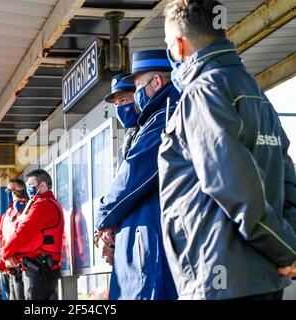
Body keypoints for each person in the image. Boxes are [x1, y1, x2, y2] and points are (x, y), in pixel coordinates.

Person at [158, 0, 296, 300]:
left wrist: (287, 252)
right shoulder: (254, 92)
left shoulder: (202, 94)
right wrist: (288, 250)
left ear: (179, 46)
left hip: (220, 279)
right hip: (265, 278)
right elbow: (287, 181)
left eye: (169, 46)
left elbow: (234, 186)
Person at [95, 49, 180, 300]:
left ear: (157, 82)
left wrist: (103, 217)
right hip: (148, 241)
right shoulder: (157, 117)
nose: (133, 98)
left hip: (156, 243)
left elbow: (134, 176)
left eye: (137, 87)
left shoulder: (165, 117)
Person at [1, 169, 64, 300]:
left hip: (39, 268)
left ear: (42, 185)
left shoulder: (43, 205)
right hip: (38, 267)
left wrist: (5, 255)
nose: (28, 188)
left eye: (31, 185)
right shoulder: (40, 203)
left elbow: (23, 233)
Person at [98, 73, 140, 266]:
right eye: (116, 104)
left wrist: (105, 219)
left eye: (124, 100)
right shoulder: (131, 136)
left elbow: (131, 182)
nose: (120, 108)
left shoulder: (153, 128)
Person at [0, 187, 29, 300]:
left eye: (21, 201)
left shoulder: (29, 215)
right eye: (15, 201)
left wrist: (3, 259)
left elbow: (18, 239)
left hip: (20, 264)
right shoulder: (7, 215)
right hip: (7, 264)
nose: (18, 204)